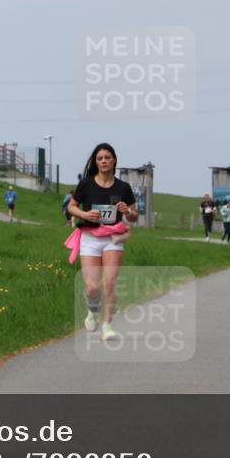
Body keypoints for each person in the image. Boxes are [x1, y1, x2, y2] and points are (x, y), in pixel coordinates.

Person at [65, 143, 139, 340]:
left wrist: (127, 212)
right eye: (100, 158)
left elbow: (134, 216)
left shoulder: (123, 187)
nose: (104, 161)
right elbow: (71, 207)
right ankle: (92, 309)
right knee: (92, 287)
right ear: (96, 162)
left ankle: (107, 325)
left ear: (114, 160)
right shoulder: (87, 184)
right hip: (90, 237)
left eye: (107, 157)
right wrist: (85, 213)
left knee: (110, 282)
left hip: (113, 238)